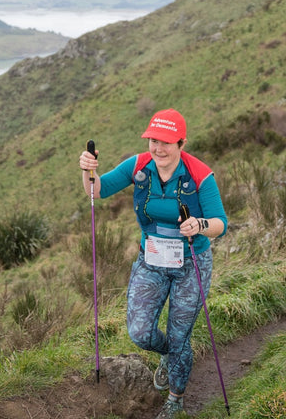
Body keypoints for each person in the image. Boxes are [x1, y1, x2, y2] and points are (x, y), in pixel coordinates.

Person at [79, 108, 228, 419]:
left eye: (166, 143)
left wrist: (199, 224)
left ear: (181, 144)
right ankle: (169, 356)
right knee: (140, 332)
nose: (159, 148)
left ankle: (175, 399)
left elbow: (220, 223)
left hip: (192, 264)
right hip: (151, 260)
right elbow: (97, 190)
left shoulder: (200, 173)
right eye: (153, 141)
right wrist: (87, 170)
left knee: (179, 336)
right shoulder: (138, 165)